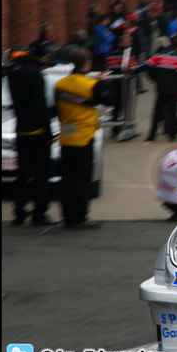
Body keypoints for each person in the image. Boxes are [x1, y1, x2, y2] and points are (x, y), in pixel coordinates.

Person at [54, 48, 114, 229]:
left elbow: (57, 110)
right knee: (82, 180)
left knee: (67, 180)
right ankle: (80, 218)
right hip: (84, 138)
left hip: (66, 137)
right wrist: (103, 83)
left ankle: (67, 216)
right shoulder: (91, 85)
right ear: (87, 64)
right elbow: (109, 100)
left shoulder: (60, 84)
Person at [6, 40, 61, 226]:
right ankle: (39, 213)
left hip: (21, 129)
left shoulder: (14, 71)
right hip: (37, 132)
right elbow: (39, 106)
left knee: (22, 173)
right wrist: (48, 132)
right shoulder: (35, 75)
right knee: (40, 175)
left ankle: (19, 213)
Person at [144, 36, 177, 143]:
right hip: (173, 89)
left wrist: (156, 80)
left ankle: (152, 134)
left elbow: (150, 69)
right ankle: (172, 135)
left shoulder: (160, 55)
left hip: (161, 88)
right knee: (173, 112)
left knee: (157, 112)